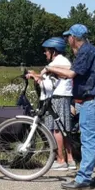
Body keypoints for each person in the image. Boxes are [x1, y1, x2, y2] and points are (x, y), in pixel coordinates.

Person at [45, 24, 95, 190]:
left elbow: (71, 73)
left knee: (89, 141)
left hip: (90, 101)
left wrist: (49, 68)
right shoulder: (94, 51)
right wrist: (56, 69)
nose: (67, 40)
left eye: (67, 37)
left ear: (73, 38)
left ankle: (83, 178)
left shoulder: (85, 52)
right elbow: (74, 70)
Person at [26, 37, 76, 171]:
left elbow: (52, 82)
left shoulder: (59, 62)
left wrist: (39, 76)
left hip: (57, 97)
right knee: (63, 128)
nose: (45, 53)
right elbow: (51, 79)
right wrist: (36, 75)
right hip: (61, 96)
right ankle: (70, 159)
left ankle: (60, 160)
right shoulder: (59, 62)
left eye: (47, 50)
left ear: (54, 51)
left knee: (56, 129)